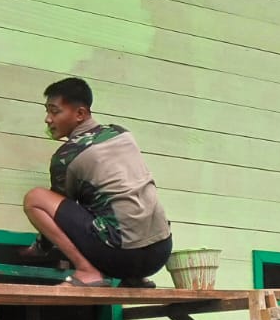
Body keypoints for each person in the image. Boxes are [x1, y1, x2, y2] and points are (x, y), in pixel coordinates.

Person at [19, 77, 172, 288]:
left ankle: (87, 272)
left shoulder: (67, 156)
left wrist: (40, 248)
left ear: (80, 114)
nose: (48, 119)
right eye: (47, 111)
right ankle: (135, 278)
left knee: (34, 199)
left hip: (121, 256)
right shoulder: (121, 133)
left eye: (55, 111)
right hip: (161, 251)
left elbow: (60, 211)